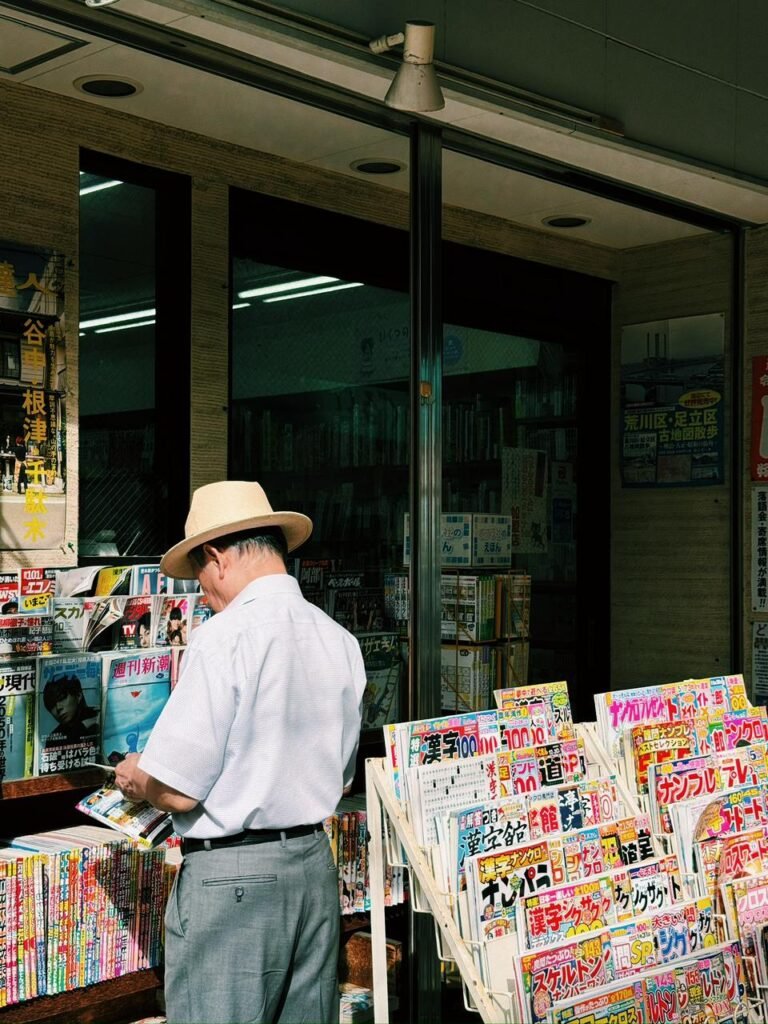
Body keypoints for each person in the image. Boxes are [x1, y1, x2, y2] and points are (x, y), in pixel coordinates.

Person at [115, 479, 367, 1024]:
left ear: (217, 558)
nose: (203, 595)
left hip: (233, 878)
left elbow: (177, 791)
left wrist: (137, 778)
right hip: (312, 868)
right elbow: (342, 778)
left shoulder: (224, 638)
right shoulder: (339, 639)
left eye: (200, 579)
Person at [42, 674, 100, 748]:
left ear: (78, 695)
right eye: (52, 705)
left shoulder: (101, 716)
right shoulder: (53, 740)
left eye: (61, 698)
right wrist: (83, 726)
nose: (58, 708)